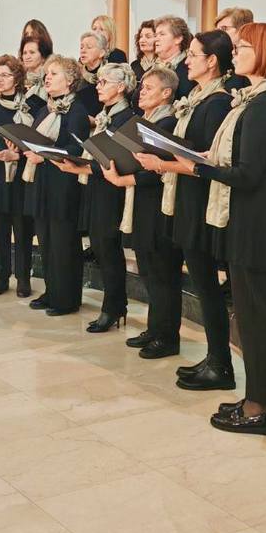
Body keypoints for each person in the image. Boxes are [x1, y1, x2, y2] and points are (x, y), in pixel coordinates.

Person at [170, 23, 266, 435]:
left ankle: (260, 407)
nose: (237, 52)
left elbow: (247, 174)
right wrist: (208, 157)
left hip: (259, 224)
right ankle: (253, 396)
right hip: (251, 220)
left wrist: (195, 166)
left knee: (256, 319)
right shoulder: (259, 100)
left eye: (244, 47)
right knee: (249, 314)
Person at [135, 31, 235, 388]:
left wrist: (164, 160)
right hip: (184, 197)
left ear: (212, 61)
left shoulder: (218, 102)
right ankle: (212, 358)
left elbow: (205, 156)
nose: (188, 60)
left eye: (194, 54)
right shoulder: (196, 97)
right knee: (201, 284)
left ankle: (220, 365)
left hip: (198, 200)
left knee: (207, 286)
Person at [51, 63, 136, 332]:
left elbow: (119, 161)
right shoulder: (105, 115)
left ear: (121, 88)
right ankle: (114, 306)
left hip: (112, 190)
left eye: (104, 82)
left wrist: (81, 166)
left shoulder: (126, 119)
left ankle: (113, 308)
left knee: (108, 250)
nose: (97, 87)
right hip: (96, 187)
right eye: (98, 82)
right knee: (101, 248)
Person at [101, 67, 180, 357]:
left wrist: (125, 178)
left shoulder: (168, 122)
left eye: (149, 88)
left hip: (158, 204)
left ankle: (168, 337)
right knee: (148, 269)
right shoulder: (144, 121)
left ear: (166, 93)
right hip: (142, 203)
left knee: (162, 271)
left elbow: (159, 168)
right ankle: (155, 328)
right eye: (142, 87)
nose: (141, 92)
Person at [23, 56, 91, 316]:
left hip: (64, 184)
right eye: (46, 74)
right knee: (47, 241)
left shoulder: (77, 111)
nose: (47, 78)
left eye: (53, 73)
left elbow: (76, 148)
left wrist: (45, 154)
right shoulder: (45, 109)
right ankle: (52, 291)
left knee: (64, 244)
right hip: (42, 182)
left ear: (70, 80)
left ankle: (67, 298)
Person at [0, 55, 35, 298]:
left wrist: (16, 156)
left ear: (17, 78)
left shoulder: (32, 107)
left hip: (21, 177)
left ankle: (23, 278)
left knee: (22, 230)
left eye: (4, 75)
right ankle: (1, 277)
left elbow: (37, 145)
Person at [152, 15, 194, 98]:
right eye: (156, 35)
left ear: (178, 39)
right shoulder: (152, 69)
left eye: (162, 34)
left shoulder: (189, 68)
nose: (156, 39)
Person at [77, 30, 108, 116]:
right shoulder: (76, 76)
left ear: (101, 53)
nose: (83, 51)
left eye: (89, 47)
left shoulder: (110, 76)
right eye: (81, 47)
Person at [20, 34, 52, 113]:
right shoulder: (19, 80)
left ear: (43, 56)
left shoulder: (50, 78)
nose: (27, 57)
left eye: (32, 52)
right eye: (25, 53)